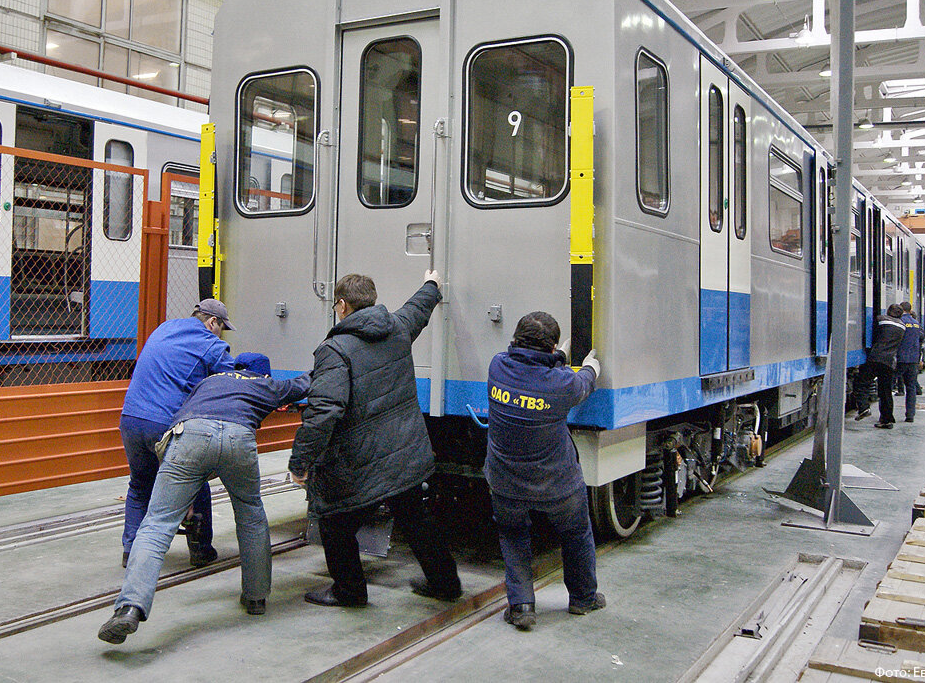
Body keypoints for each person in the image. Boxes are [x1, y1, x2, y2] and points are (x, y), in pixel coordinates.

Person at [98, 360, 311, 644]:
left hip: (189, 435)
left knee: (156, 525)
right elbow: (302, 385)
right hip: (238, 437)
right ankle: (256, 597)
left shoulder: (207, 382)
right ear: (261, 373)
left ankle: (130, 607)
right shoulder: (263, 383)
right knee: (251, 516)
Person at [288, 270, 460, 608]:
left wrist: (300, 462)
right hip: (405, 454)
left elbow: (324, 412)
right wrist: (432, 284)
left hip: (361, 463)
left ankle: (349, 591)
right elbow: (418, 308)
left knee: (335, 523)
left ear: (341, 305)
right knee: (416, 518)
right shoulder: (396, 328)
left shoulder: (334, 350)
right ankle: (446, 584)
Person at [485, 312, 604, 630]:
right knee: (576, 533)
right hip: (557, 483)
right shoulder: (563, 383)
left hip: (505, 479)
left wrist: (558, 356)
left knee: (513, 535)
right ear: (551, 347)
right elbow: (581, 385)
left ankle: (522, 606)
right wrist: (590, 367)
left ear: (515, 339)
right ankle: (583, 599)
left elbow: (532, 375)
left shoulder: (497, 366)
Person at [118, 299, 241, 569]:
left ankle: (131, 550)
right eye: (222, 328)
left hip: (131, 418)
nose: (221, 334)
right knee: (196, 480)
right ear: (212, 322)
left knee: (140, 485)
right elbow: (230, 383)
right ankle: (200, 550)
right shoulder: (212, 344)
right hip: (165, 425)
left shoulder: (163, 329)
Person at [856, 304, 905, 428]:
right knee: (885, 391)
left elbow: (873, 335)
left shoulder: (881, 320)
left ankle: (863, 408)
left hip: (876, 358)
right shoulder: (902, 327)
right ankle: (886, 419)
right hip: (889, 362)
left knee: (862, 382)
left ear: (889, 311)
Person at [895, 302, 924, 422]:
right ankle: (910, 415)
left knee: (888, 385)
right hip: (913, 359)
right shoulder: (916, 323)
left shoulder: (899, 322)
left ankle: (887, 415)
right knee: (911, 388)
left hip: (900, 358)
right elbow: (921, 337)